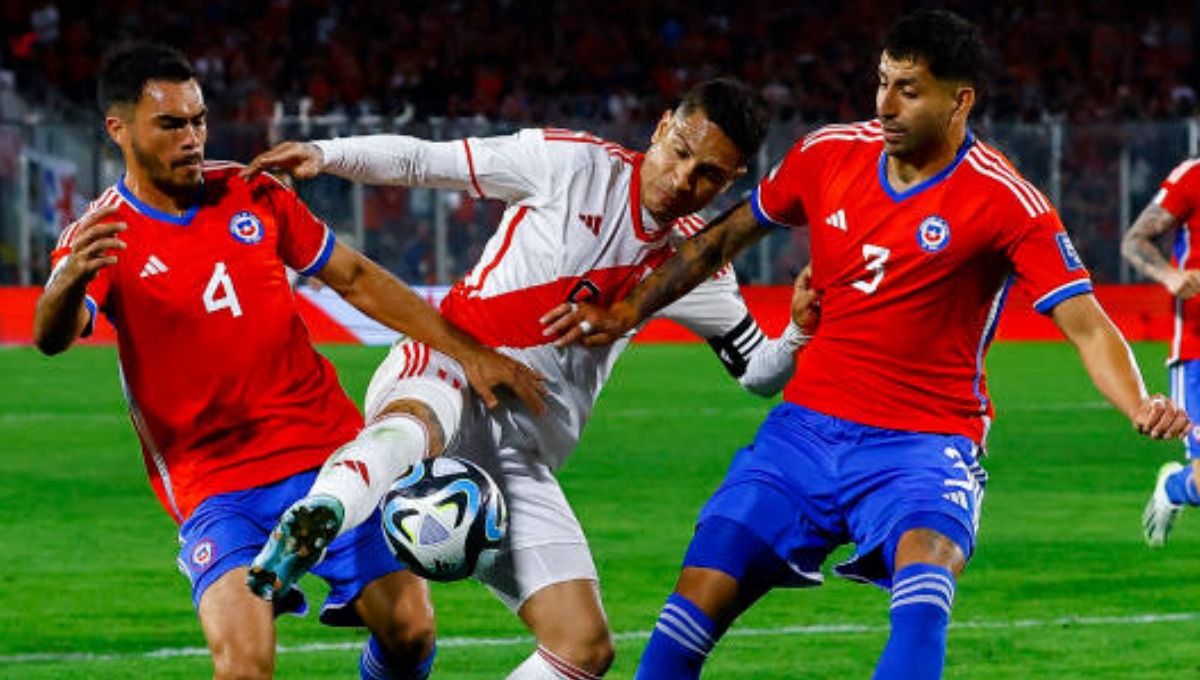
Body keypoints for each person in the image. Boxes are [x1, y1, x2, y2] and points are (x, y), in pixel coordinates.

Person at [547, 11, 1192, 679]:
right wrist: (627, 311)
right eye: (882, 81)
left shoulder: (1006, 201)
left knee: (923, 592)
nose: (884, 103)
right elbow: (721, 238)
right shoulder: (829, 154)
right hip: (803, 433)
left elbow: (1086, 323)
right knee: (692, 605)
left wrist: (1138, 402)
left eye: (908, 89)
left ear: (959, 100)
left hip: (924, 441)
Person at [241, 78, 815, 679]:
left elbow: (757, 373)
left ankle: (335, 506)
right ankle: (324, 509)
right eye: (680, 153)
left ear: (733, 180)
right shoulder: (570, 163)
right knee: (419, 421)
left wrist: (798, 332)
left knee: (584, 647)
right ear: (662, 125)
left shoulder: (697, 269)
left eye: (709, 176)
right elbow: (423, 160)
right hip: (447, 365)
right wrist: (327, 155)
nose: (682, 181)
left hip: (518, 457)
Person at [32, 43, 546, 680]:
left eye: (198, 120)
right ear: (118, 130)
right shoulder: (99, 234)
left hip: (324, 452)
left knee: (411, 633)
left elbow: (355, 277)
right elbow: (54, 335)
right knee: (245, 666)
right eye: (171, 124)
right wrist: (67, 284)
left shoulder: (251, 192)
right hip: (215, 483)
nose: (192, 137)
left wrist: (467, 353)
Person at [1121, 158, 1200, 547]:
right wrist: (1170, 276)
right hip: (1197, 351)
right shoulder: (1193, 176)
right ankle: (1173, 486)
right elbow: (1134, 240)